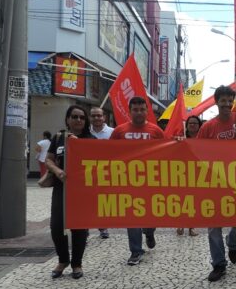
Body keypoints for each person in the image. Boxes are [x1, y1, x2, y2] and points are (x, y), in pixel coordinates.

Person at [197, 85, 236, 282]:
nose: (226, 104)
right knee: (214, 225)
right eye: (222, 101)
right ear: (216, 102)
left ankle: (233, 243)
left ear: (233, 102)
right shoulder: (208, 127)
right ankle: (218, 264)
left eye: (229, 101)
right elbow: (196, 151)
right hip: (214, 183)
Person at [110, 96, 167, 265]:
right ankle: (136, 251)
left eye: (142, 109)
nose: (139, 112)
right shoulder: (119, 131)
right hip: (128, 181)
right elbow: (108, 153)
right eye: (135, 109)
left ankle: (149, 232)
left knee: (150, 213)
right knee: (132, 216)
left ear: (147, 111)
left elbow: (166, 152)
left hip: (150, 181)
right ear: (130, 111)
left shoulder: (156, 131)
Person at [44, 105, 93, 279]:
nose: (78, 120)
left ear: (86, 121)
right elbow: (48, 160)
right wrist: (57, 171)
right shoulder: (58, 138)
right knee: (56, 226)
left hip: (82, 191)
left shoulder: (90, 139)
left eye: (81, 117)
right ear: (67, 119)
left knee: (79, 228)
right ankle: (62, 260)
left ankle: (77, 263)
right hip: (61, 189)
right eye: (74, 116)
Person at [89, 107, 114, 239]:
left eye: (99, 116)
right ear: (90, 118)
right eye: (94, 116)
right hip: (88, 172)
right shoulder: (85, 132)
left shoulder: (112, 133)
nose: (97, 118)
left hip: (106, 172)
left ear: (104, 117)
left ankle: (103, 226)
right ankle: (84, 228)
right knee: (88, 201)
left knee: (103, 201)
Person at [177, 115, 201, 237]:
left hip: (198, 174)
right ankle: (180, 223)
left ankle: (192, 226)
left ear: (199, 125)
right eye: (190, 123)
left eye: (195, 123)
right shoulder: (181, 137)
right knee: (183, 199)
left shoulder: (203, 138)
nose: (192, 125)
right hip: (183, 173)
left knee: (194, 201)